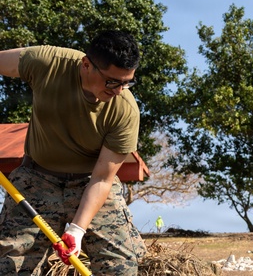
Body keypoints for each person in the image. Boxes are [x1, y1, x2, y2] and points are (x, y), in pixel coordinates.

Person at [0, 30, 147, 275]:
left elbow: (102, 178)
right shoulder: (48, 63)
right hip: (36, 178)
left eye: (127, 82)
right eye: (112, 81)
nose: (119, 90)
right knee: (10, 266)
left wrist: (77, 230)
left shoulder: (125, 110)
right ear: (86, 65)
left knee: (120, 266)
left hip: (91, 181)